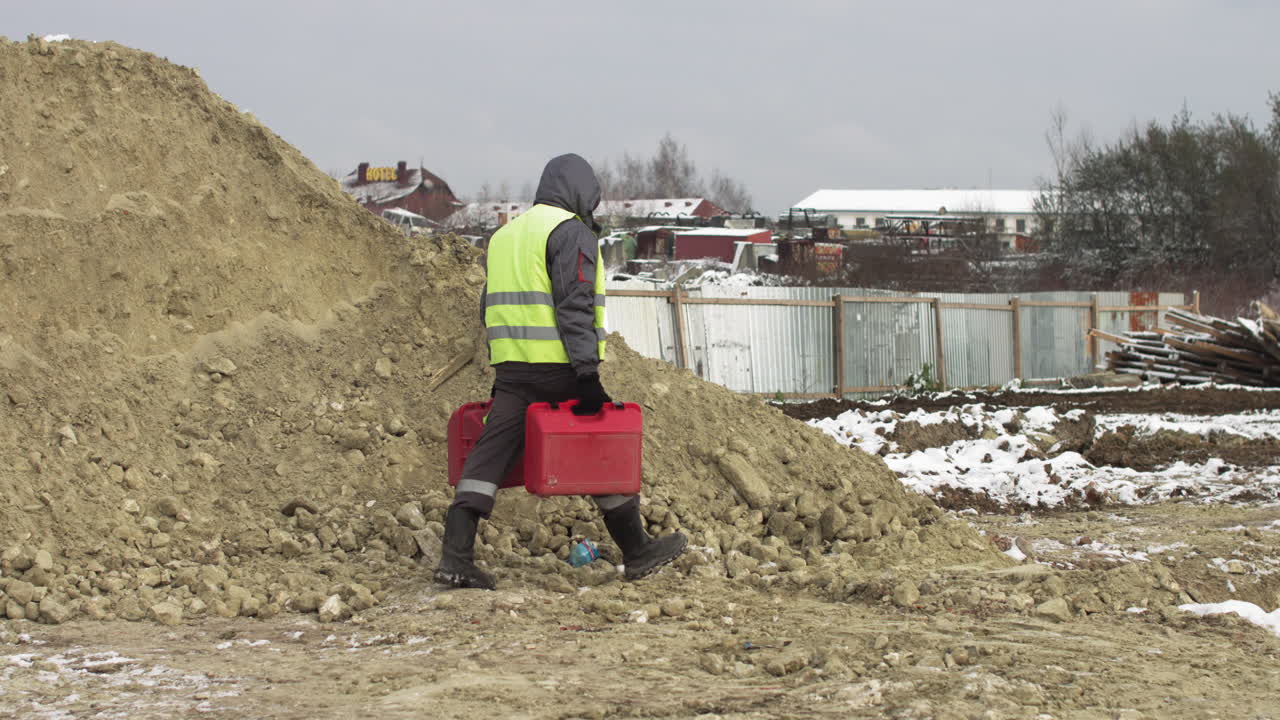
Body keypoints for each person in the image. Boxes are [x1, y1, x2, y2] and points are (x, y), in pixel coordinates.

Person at [434, 153, 687, 590]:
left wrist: (504, 361)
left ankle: (455, 557)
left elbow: (487, 307)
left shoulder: (504, 236)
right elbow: (576, 306)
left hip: (512, 367)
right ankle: (638, 550)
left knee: (489, 455)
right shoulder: (569, 232)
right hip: (560, 367)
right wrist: (587, 374)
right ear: (581, 192)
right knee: (599, 445)